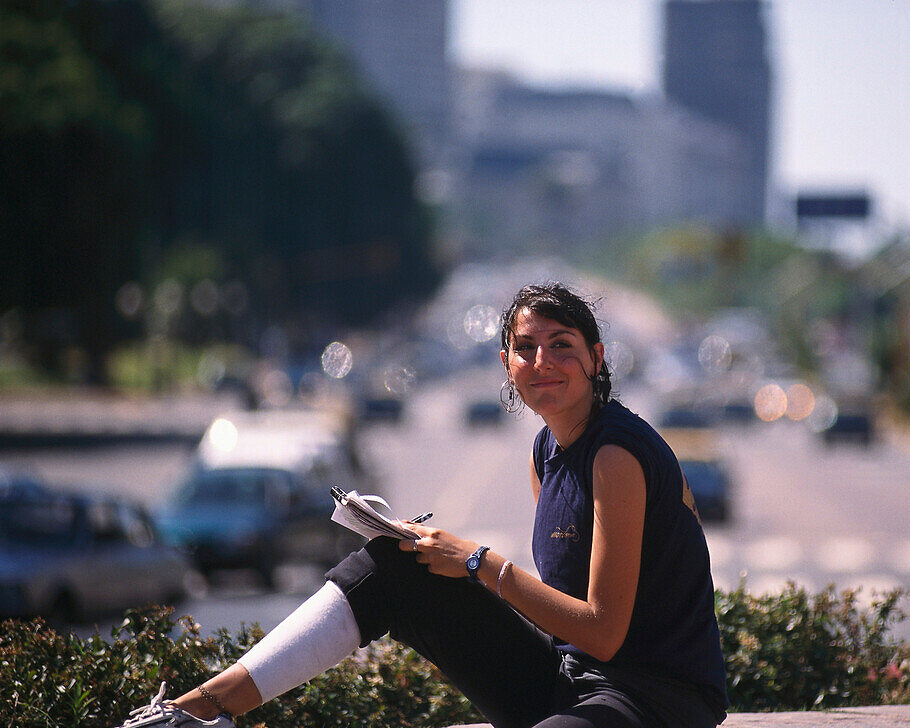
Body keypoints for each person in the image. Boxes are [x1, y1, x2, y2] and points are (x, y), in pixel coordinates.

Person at [116, 282, 728, 728]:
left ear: (596, 359)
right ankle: (197, 712)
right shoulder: (547, 450)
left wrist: (477, 564)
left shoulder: (615, 455)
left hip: (656, 700)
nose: (544, 362)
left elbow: (602, 632)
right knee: (394, 564)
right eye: (526, 347)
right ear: (506, 364)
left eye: (563, 345)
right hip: (573, 682)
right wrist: (441, 565)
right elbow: (563, 617)